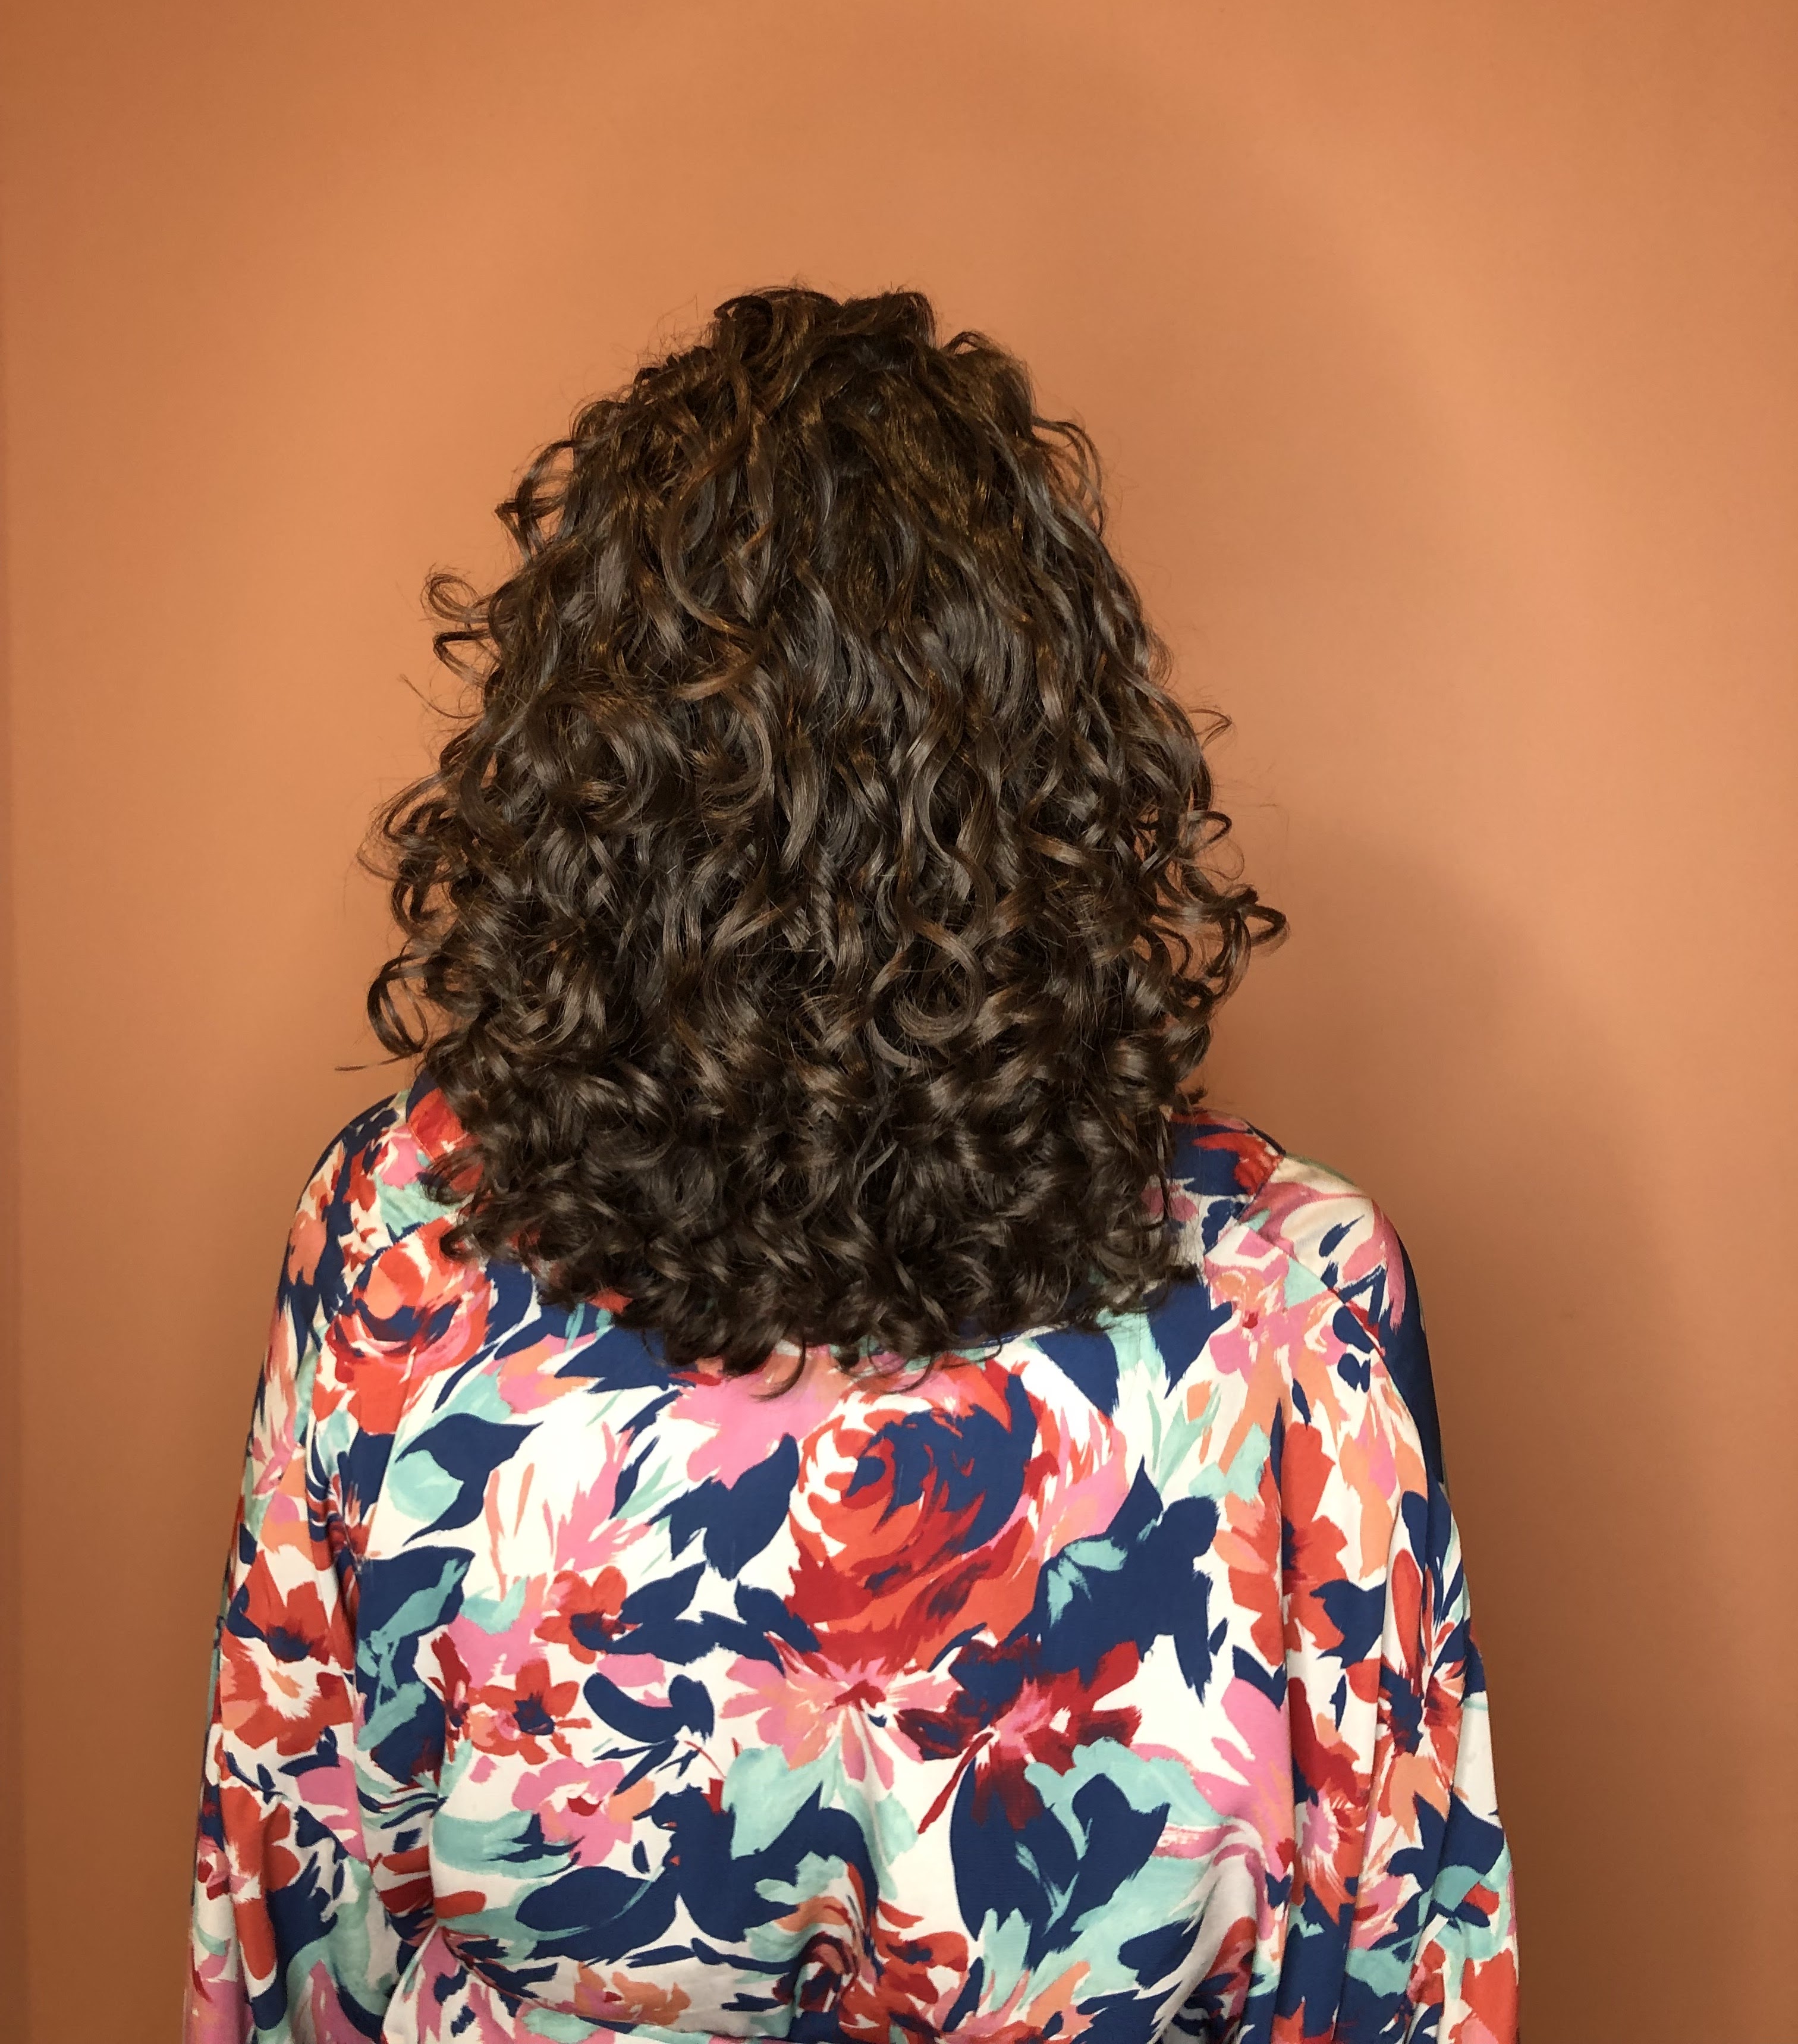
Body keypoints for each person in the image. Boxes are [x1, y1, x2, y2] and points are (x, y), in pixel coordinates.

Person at [185, 288, 1517, 2043]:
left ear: (584, 773)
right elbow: (1403, 1965)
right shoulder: (1294, 1300)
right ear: (1058, 767)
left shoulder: (396, 1240)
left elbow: (295, 1907)